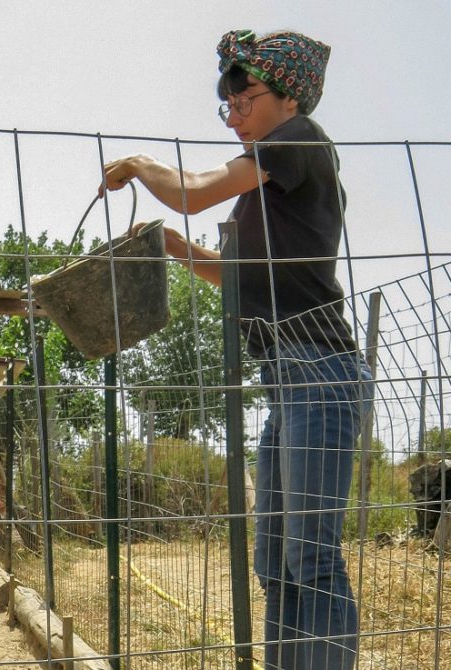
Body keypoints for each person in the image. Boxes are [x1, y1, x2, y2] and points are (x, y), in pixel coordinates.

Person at [99, 30, 373, 670]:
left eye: (243, 97)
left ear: (289, 97)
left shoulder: (301, 141)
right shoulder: (265, 181)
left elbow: (194, 189)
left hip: (320, 372)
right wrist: (173, 244)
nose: (234, 114)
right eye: (226, 104)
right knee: (276, 559)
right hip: (287, 379)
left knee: (312, 557)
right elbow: (237, 277)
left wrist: (141, 164)